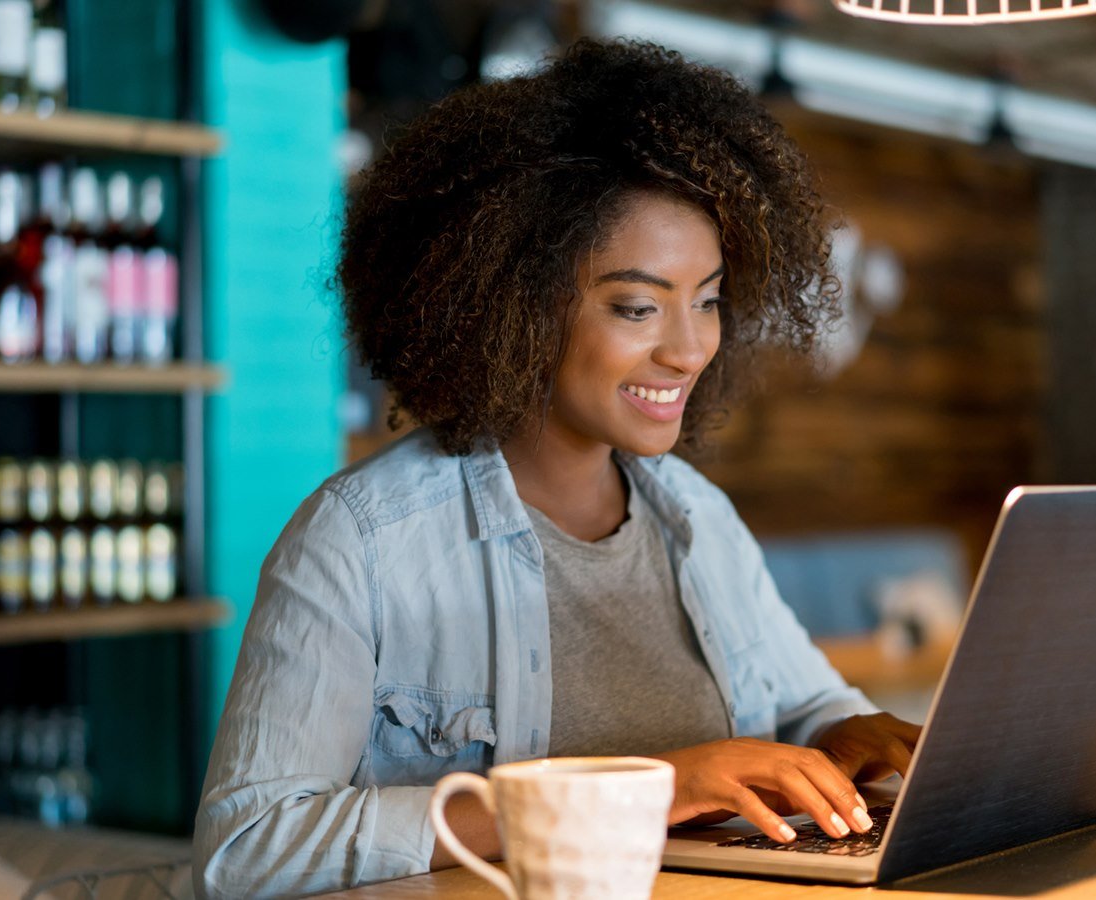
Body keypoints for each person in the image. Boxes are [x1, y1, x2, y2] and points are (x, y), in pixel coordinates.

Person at [193, 39, 922, 898]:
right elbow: (245, 851)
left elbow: (811, 708)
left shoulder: (696, 518)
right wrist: (636, 791)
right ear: (513, 302)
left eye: (709, 300)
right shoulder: (362, 540)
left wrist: (852, 736)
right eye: (638, 306)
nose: (689, 348)